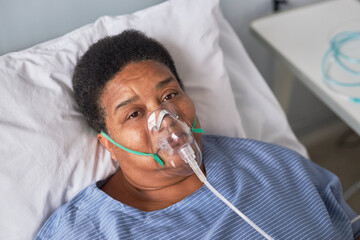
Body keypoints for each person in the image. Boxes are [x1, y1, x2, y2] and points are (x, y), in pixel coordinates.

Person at [35, 30, 360, 240]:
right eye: (135, 114)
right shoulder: (81, 231)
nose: (165, 119)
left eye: (170, 96)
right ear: (109, 144)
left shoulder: (273, 164)